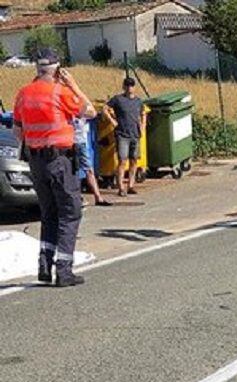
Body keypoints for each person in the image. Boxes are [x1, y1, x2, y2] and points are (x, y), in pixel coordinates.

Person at [12, 48, 96, 287]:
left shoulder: (23, 94)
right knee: (71, 213)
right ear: (58, 69)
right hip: (59, 160)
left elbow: (17, 131)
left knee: (49, 214)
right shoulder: (61, 92)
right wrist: (75, 85)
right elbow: (90, 111)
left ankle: (44, 265)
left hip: (36, 162)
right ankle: (64, 270)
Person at [104, 76, 144, 197]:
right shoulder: (118, 99)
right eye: (127, 85)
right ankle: (121, 187)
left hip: (135, 134)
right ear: (123, 86)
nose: (129, 88)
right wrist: (112, 121)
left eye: (131, 85)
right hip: (122, 135)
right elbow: (105, 108)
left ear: (134, 87)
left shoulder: (138, 101)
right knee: (122, 161)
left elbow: (142, 113)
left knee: (134, 161)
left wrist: (142, 126)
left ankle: (131, 185)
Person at [73, 115, 110, 207]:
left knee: (89, 170)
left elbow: (92, 113)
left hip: (81, 142)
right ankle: (78, 198)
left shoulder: (81, 106)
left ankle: (98, 198)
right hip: (69, 142)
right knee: (73, 171)